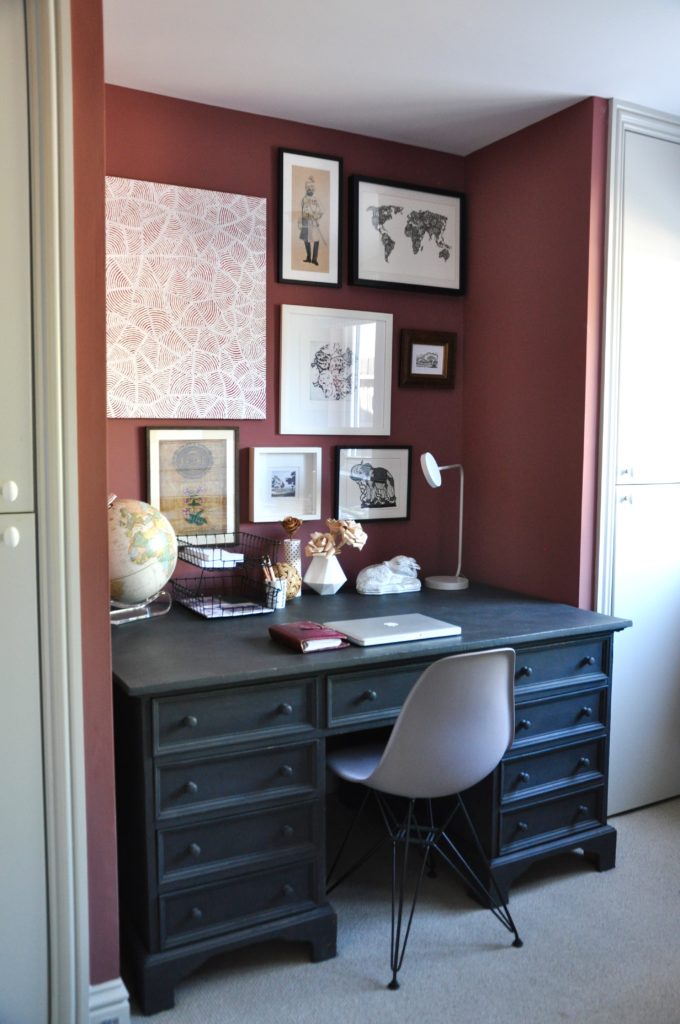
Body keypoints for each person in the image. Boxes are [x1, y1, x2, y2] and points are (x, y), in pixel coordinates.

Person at [298, 175, 324, 265]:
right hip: (305, 222)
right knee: (306, 240)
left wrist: (316, 217)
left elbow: (321, 211)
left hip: (313, 223)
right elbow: (302, 211)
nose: (310, 188)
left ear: (314, 188)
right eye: (308, 187)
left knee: (316, 240)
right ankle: (308, 257)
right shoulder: (303, 199)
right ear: (306, 188)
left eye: (311, 187)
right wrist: (301, 221)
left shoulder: (317, 200)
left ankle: (315, 259)